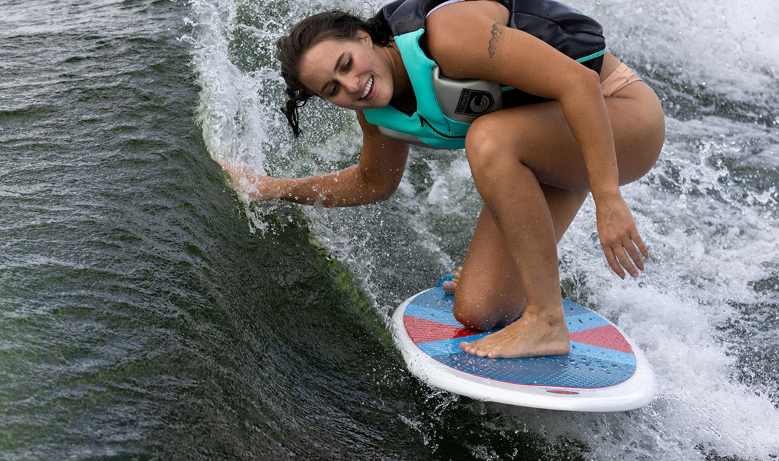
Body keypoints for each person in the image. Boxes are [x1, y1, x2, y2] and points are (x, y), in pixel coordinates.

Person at [217, 0, 665, 359]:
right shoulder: (372, 106)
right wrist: (272, 188)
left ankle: (547, 321)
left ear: (363, 37)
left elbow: (579, 84)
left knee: (488, 140)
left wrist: (608, 200)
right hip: (550, 142)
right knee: (478, 309)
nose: (351, 85)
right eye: (331, 88)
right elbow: (375, 182)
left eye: (347, 63)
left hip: (618, 115)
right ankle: (534, 305)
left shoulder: (447, 36)